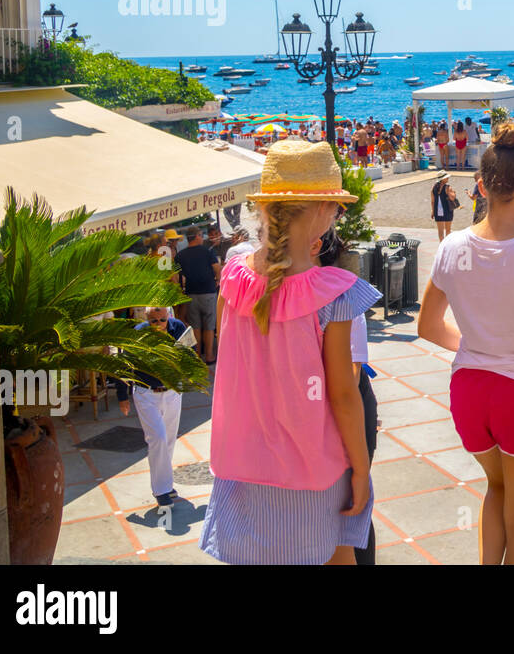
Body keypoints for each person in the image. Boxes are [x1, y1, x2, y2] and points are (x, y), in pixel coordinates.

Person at [201, 141, 379, 565]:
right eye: (335, 206)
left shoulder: (234, 277)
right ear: (320, 209)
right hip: (312, 467)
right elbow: (342, 395)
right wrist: (361, 468)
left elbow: (234, 359)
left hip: (242, 462)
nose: (337, 215)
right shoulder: (332, 294)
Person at [416, 121, 514, 565]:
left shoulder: (452, 248)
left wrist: (479, 342)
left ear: (479, 187)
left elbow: (428, 327)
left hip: (469, 390)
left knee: (495, 488)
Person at [315, 228, 379, 565]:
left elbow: (350, 378)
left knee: (353, 500)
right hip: (331, 404)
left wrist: (357, 460)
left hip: (350, 402)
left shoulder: (340, 295)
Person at [114, 307, 194, 506]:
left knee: (168, 440)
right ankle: (161, 491)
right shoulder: (138, 335)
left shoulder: (177, 328)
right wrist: (122, 396)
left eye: (162, 320)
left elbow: (190, 353)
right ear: (146, 319)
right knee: (157, 438)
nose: (158, 324)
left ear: (169, 317)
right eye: (154, 321)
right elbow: (122, 365)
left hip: (172, 391)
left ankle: (166, 484)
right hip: (146, 393)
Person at [175, 227, 221, 363]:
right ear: (197, 236)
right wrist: (217, 280)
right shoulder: (207, 252)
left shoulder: (180, 255)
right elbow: (217, 268)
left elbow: (177, 276)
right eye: (201, 235)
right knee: (209, 326)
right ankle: (209, 356)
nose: (202, 238)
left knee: (195, 326)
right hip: (208, 292)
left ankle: (197, 357)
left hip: (190, 293)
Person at [432, 171, 459, 241]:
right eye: (446, 177)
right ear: (442, 179)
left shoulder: (434, 187)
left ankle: (441, 246)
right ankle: (447, 247)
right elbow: (452, 197)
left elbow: (432, 201)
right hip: (447, 210)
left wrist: (432, 211)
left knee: (440, 232)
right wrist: (454, 193)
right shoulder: (448, 187)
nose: (448, 178)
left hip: (438, 211)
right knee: (448, 230)